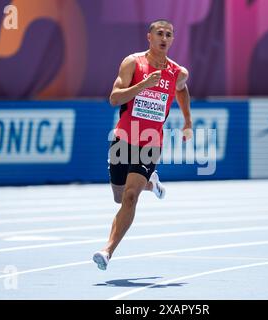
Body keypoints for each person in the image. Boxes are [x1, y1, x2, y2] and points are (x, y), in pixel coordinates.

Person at [92, 19, 192, 270]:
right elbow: (114, 98)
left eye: (169, 34)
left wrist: (188, 121)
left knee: (129, 197)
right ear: (149, 37)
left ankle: (108, 251)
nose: (164, 38)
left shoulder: (177, 72)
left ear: (172, 40)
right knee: (118, 196)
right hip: (123, 138)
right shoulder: (133, 63)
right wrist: (143, 86)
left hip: (150, 141)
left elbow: (181, 89)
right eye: (160, 33)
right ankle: (151, 183)